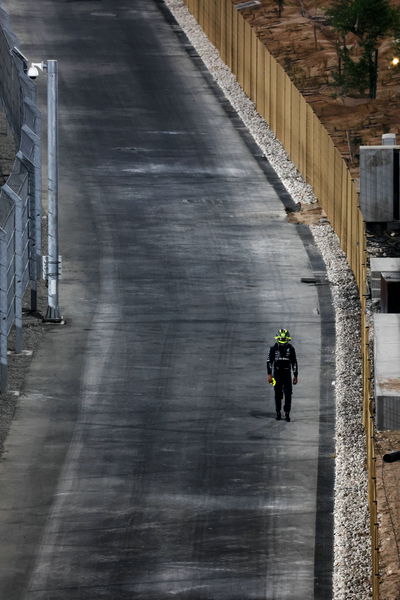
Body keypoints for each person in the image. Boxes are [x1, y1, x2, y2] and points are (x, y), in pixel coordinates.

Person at [267, 328, 298, 422]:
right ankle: (278, 412)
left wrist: (295, 375)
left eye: (284, 339)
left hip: (287, 374)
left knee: (288, 394)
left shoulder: (291, 349)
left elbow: (294, 363)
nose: (283, 342)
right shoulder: (273, 349)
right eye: (281, 339)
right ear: (277, 338)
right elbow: (269, 362)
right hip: (276, 374)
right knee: (277, 393)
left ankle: (287, 412)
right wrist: (269, 374)